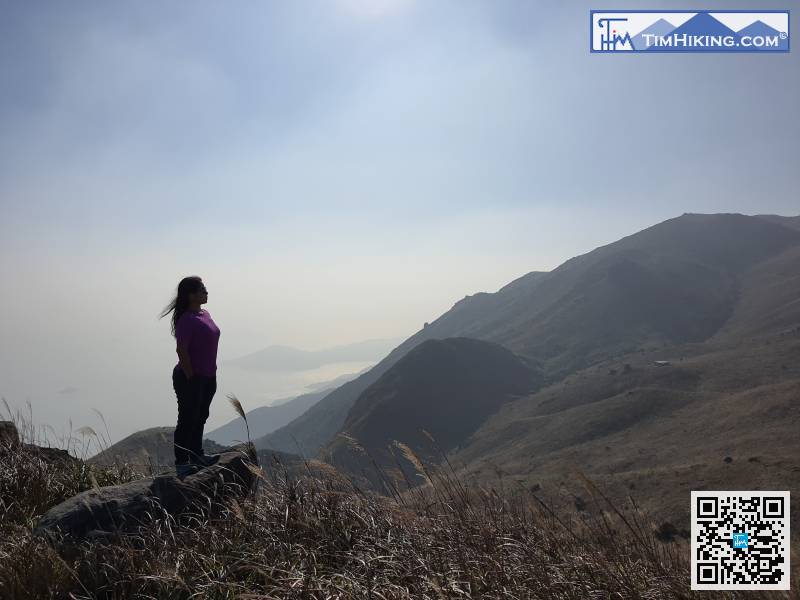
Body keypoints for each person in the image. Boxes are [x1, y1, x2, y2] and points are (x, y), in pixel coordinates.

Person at [159, 276, 222, 477]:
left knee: (201, 416)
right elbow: (182, 350)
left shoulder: (205, 314)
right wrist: (191, 376)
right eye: (202, 289)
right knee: (187, 419)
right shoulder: (187, 319)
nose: (206, 292)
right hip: (191, 377)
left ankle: (197, 455)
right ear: (191, 295)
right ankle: (182, 463)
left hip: (208, 376)